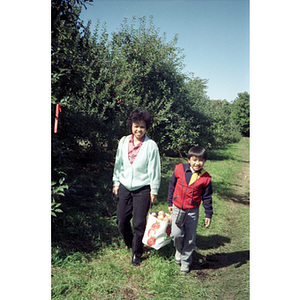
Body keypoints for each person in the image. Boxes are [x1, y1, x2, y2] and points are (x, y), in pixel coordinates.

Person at [112, 108, 161, 266]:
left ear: (146, 128)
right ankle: (130, 243)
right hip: (125, 186)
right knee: (121, 220)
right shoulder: (123, 141)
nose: (139, 129)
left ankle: (137, 253)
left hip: (143, 188)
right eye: (136, 126)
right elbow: (118, 163)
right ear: (131, 126)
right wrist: (116, 182)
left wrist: (154, 189)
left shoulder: (151, 145)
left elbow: (154, 169)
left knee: (139, 223)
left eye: (142, 127)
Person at [167, 146, 213, 273]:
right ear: (189, 159)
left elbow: (207, 197)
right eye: (194, 160)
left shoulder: (206, 178)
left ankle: (186, 262)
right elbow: (171, 185)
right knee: (176, 234)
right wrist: (170, 201)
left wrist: (208, 214)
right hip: (177, 209)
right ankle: (179, 251)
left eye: (201, 160)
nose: (197, 163)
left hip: (192, 211)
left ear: (204, 161)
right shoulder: (179, 169)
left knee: (190, 238)